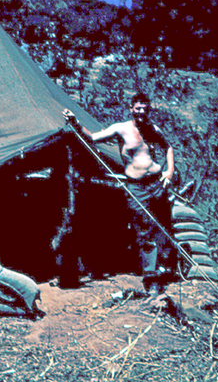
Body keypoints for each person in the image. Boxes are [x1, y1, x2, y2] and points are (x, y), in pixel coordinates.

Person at [62, 93, 177, 294]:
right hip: (137, 186)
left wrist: (169, 171)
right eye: (138, 108)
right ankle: (151, 278)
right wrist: (76, 123)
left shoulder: (152, 130)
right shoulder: (121, 129)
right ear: (131, 108)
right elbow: (93, 138)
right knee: (144, 227)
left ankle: (166, 269)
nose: (142, 112)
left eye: (145, 108)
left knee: (163, 225)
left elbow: (168, 147)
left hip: (157, 182)